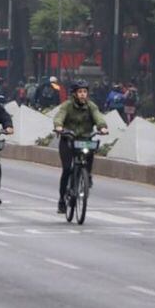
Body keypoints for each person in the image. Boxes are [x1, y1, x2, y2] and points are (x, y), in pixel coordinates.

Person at [52, 79, 110, 214]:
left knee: (89, 153)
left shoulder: (91, 106)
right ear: (74, 94)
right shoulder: (67, 106)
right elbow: (59, 116)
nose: (83, 94)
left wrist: (102, 127)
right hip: (68, 140)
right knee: (67, 169)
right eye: (80, 92)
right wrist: (59, 126)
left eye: (85, 92)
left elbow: (98, 117)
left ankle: (87, 175)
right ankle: (61, 200)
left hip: (85, 139)